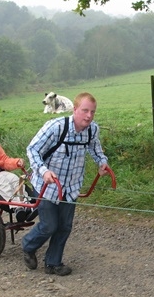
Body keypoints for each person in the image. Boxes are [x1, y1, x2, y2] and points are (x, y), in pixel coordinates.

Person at [22, 92, 109, 274]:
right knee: (49, 225)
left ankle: (53, 263)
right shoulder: (56, 127)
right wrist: (44, 171)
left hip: (71, 187)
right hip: (47, 185)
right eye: (85, 110)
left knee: (64, 226)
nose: (88, 116)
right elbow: (32, 150)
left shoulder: (92, 129)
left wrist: (102, 162)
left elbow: (95, 148)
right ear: (75, 109)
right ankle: (28, 245)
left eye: (92, 112)